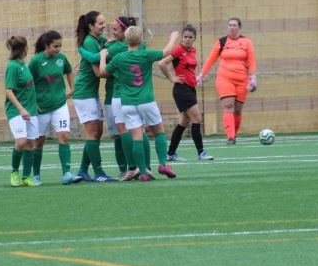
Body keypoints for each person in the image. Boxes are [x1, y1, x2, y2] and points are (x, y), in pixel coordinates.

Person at [99, 26, 179, 181]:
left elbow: (103, 72)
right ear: (141, 39)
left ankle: (142, 172)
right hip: (146, 100)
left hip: (127, 103)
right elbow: (167, 51)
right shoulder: (146, 54)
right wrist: (173, 37)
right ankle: (162, 164)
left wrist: (103, 56)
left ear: (126, 40)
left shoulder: (120, 58)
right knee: (159, 132)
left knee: (136, 136)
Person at [85, 16, 153, 181]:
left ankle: (130, 168)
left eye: (115, 29)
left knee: (122, 133)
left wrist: (84, 50)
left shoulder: (115, 49)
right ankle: (146, 167)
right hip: (139, 95)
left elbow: (95, 61)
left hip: (117, 95)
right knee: (140, 130)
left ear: (126, 32)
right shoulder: (141, 46)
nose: (111, 31)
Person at [29, 30, 83, 185]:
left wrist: (72, 88)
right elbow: (27, 82)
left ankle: (67, 174)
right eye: (55, 46)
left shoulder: (61, 59)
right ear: (46, 45)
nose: (58, 49)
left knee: (64, 137)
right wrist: (33, 102)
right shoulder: (36, 62)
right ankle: (36, 175)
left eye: (60, 46)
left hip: (60, 105)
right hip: (41, 108)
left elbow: (69, 71)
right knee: (38, 142)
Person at [158, 24, 214, 161]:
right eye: (185, 37)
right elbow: (162, 63)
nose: (187, 39)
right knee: (197, 119)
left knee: (183, 121)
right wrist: (172, 78)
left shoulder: (193, 50)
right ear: (182, 38)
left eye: (190, 37)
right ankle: (201, 153)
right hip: (181, 89)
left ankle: (170, 153)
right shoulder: (178, 50)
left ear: (194, 38)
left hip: (190, 88)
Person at [197, 17, 257, 144]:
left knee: (238, 110)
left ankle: (234, 133)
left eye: (234, 25)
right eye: (230, 25)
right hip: (224, 78)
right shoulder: (222, 42)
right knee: (228, 106)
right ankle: (230, 137)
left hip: (242, 80)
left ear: (239, 27)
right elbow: (210, 59)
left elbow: (251, 61)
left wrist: (253, 78)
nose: (231, 27)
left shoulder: (247, 42)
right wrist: (201, 74)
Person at [72, 11, 115, 182]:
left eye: (105, 22)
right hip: (84, 93)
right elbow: (94, 57)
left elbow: (108, 45)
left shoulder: (98, 40)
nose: (104, 26)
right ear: (90, 26)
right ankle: (98, 173)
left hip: (91, 93)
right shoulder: (88, 42)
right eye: (100, 23)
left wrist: (109, 45)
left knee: (96, 132)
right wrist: (104, 52)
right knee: (93, 132)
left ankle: (83, 170)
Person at [4, 36, 39, 187]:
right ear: (23, 48)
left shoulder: (24, 65)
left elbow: (28, 88)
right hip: (16, 111)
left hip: (31, 110)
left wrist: (34, 105)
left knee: (31, 143)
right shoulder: (12, 66)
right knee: (22, 141)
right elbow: (9, 91)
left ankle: (26, 177)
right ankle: (14, 172)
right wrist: (21, 108)